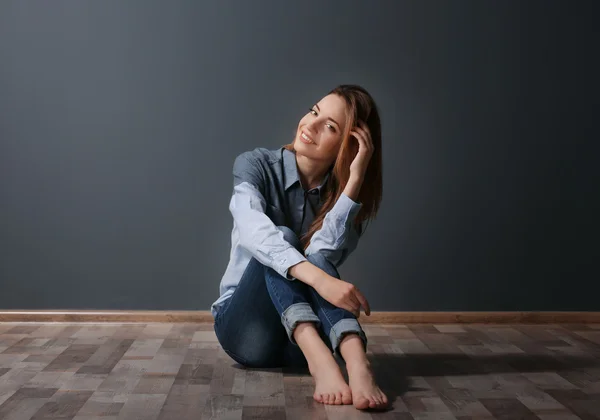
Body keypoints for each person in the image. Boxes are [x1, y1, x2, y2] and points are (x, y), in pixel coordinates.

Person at [211, 84, 387, 410]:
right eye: (314, 112)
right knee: (279, 238)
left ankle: (357, 363)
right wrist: (321, 280)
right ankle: (320, 358)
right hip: (245, 332)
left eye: (330, 127)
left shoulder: (346, 200)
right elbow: (254, 231)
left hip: (295, 345)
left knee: (316, 255)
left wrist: (354, 180)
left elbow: (326, 254)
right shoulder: (255, 164)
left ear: (348, 146)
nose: (310, 125)